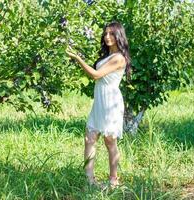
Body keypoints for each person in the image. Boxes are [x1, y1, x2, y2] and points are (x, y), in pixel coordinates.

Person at [66, 21, 131, 187]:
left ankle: (113, 180)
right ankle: (89, 180)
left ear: (119, 36)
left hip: (111, 101)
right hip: (100, 100)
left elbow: (96, 75)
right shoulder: (108, 56)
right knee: (89, 138)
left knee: (110, 141)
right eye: (106, 34)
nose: (107, 37)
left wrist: (78, 58)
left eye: (111, 34)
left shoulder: (119, 58)